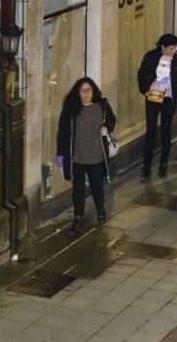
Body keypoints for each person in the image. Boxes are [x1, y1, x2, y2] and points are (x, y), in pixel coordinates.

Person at [56, 76, 117, 236]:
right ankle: (78, 218)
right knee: (78, 190)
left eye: (88, 90)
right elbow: (62, 134)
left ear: (93, 91)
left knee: (97, 186)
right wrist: (60, 155)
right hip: (77, 157)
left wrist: (106, 127)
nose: (86, 93)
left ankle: (100, 209)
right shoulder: (70, 111)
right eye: (82, 91)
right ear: (78, 93)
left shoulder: (102, 106)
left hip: (96, 155)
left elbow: (111, 120)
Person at [136, 33, 177, 178]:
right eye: (171, 48)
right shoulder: (151, 57)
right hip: (153, 97)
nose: (174, 51)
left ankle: (163, 164)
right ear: (163, 47)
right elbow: (142, 74)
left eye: (175, 48)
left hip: (168, 98)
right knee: (151, 131)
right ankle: (146, 166)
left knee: (166, 131)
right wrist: (145, 90)